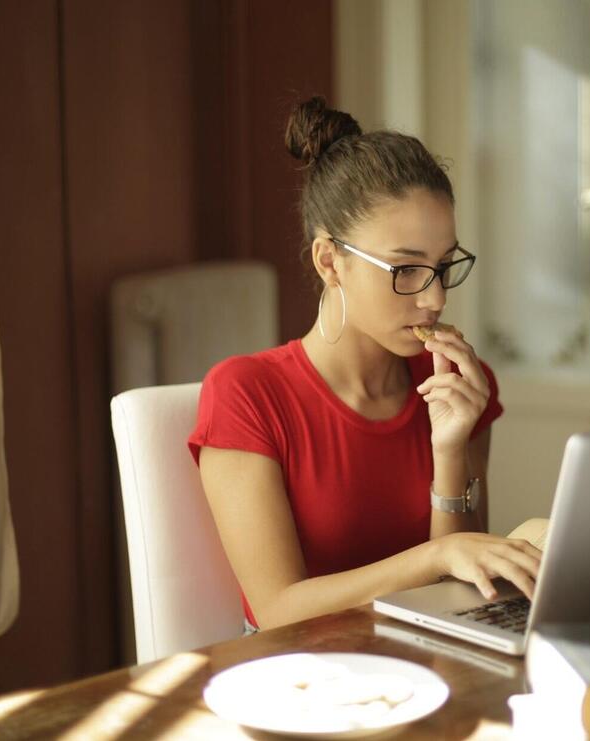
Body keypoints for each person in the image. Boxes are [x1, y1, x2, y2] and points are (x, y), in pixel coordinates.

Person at [188, 97, 541, 632]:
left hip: (433, 666)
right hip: (302, 679)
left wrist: (449, 449)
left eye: (444, 266)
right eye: (405, 269)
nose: (435, 298)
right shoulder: (246, 393)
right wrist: (435, 558)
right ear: (330, 261)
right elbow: (276, 609)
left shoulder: (459, 388)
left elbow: (457, 598)